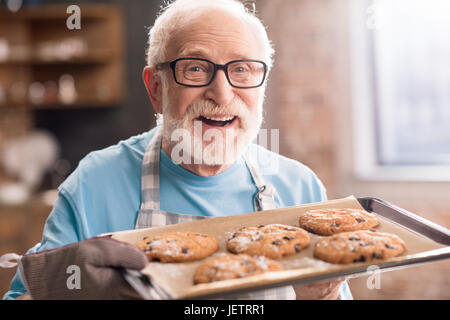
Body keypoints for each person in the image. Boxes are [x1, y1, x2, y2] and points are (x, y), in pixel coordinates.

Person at [3, 0, 352, 300]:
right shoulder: (94, 183)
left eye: (242, 69)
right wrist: (68, 290)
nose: (222, 93)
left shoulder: (301, 188)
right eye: (196, 68)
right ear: (156, 87)